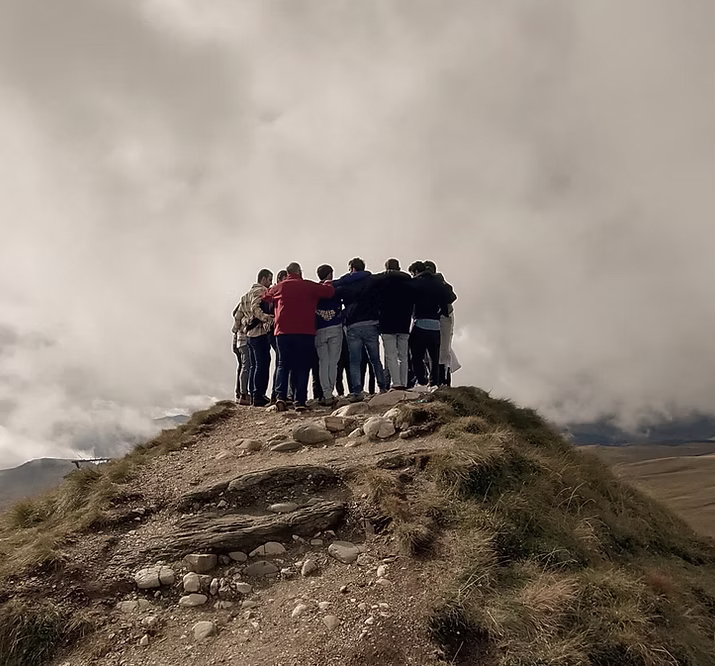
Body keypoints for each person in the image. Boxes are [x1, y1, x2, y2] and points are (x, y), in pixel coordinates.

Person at [263, 262, 335, 411]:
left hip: (283, 332)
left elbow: (266, 296)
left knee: (283, 364)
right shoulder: (308, 285)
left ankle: (280, 397)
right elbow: (329, 292)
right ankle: (300, 401)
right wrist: (328, 282)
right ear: (300, 272)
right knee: (302, 366)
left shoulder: (280, 287)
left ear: (288, 273)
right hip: (305, 331)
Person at [332, 257, 388, 401]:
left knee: (355, 361)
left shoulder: (346, 284)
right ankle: (382, 387)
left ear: (352, 269)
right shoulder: (372, 281)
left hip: (353, 326)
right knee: (375, 359)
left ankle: (357, 391)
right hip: (371, 324)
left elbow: (335, 291)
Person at [373, 258, 414, 389]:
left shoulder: (381, 283)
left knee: (391, 355)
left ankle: (396, 383)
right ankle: (404, 382)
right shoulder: (408, 282)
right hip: (404, 323)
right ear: (399, 267)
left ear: (386, 269)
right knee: (403, 356)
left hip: (387, 323)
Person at [408, 261, 450, 386]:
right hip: (436, 324)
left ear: (416, 271)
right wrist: (443, 311)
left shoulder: (415, 283)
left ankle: (421, 380)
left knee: (416, 356)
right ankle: (434, 383)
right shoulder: (439, 283)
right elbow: (449, 297)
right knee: (434, 358)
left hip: (420, 323)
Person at [236, 269, 274, 407]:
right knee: (262, 364)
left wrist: (240, 327)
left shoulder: (245, 296)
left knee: (253, 365)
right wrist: (265, 317)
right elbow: (255, 307)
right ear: (263, 279)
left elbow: (238, 316)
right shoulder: (261, 291)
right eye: (269, 280)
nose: (270, 283)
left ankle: (253, 394)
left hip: (249, 335)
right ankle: (259, 395)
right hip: (259, 333)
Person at [424, 260, 457, 385]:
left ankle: (440, 380)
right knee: (441, 350)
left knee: (439, 350)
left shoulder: (437, 283)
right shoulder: (442, 284)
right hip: (442, 318)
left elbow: (452, 297)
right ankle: (441, 380)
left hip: (441, 318)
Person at [314, 264, 343, 406]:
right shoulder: (335, 288)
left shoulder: (314, 290)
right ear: (330, 274)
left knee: (323, 362)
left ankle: (326, 393)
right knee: (333, 363)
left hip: (319, 329)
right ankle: (330, 392)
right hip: (335, 326)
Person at [231, 302, 252, 405]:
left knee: (242, 366)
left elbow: (235, 315)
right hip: (244, 340)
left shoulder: (242, 306)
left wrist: (235, 329)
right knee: (246, 366)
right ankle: (243, 394)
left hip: (238, 341)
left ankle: (239, 393)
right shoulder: (247, 305)